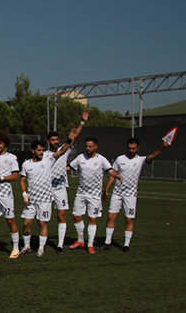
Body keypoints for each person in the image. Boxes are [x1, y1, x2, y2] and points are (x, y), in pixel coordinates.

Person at [102, 137, 170, 253]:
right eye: (129, 148)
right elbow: (113, 174)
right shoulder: (120, 159)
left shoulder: (140, 160)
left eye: (133, 148)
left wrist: (163, 147)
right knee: (110, 217)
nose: (131, 150)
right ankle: (107, 242)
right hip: (117, 193)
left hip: (130, 195)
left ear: (138, 148)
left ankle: (126, 245)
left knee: (129, 220)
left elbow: (153, 155)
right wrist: (106, 189)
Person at [19, 129, 78, 258]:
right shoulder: (26, 165)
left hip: (45, 198)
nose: (41, 153)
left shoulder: (49, 160)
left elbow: (62, 151)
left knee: (42, 223)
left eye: (42, 150)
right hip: (31, 199)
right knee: (26, 223)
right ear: (33, 151)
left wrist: (69, 140)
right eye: (39, 150)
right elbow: (22, 180)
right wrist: (24, 194)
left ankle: (41, 248)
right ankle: (27, 246)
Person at [45, 109, 89, 254]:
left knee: (61, 215)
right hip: (45, 188)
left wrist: (82, 122)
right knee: (42, 218)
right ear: (48, 141)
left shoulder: (64, 150)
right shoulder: (44, 155)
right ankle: (41, 243)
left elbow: (73, 136)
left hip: (60, 188)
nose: (56, 142)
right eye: (53, 140)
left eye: (57, 140)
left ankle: (59, 245)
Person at [68, 137, 122, 254]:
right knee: (76, 216)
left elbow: (110, 170)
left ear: (95, 147)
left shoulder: (101, 159)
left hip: (94, 196)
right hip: (81, 193)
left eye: (90, 146)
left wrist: (117, 175)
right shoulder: (80, 158)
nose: (88, 148)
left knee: (92, 219)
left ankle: (90, 244)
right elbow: (69, 167)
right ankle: (81, 240)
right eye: (86, 146)